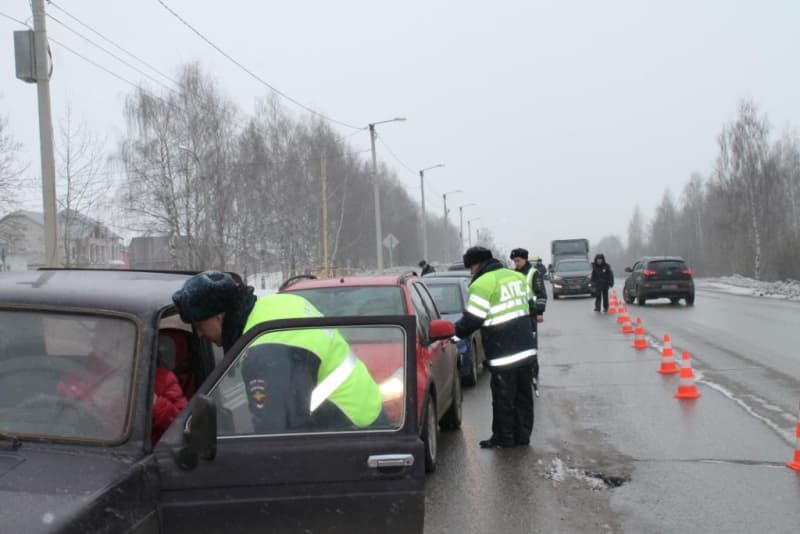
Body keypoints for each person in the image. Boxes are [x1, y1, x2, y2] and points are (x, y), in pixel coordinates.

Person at [172, 271, 384, 433]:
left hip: (349, 431)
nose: (199, 334)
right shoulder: (279, 305)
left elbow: (275, 433)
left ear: (219, 317)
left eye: (199, 325)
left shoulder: (265, 350)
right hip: (370, 418)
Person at [454, 247, 537, 448]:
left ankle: (505, 440)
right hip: (526, 347)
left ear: (477, 264)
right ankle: (522, 437)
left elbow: (472, 319)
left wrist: (453, 334)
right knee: (523, 396)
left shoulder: (482, 284)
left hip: (503, 351)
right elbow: (531, 306)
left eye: (471, 267)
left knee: (503, 398)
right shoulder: (515, 277)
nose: (471, 272)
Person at [510, 248, 547, 398]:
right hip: (517, 314)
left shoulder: (533, 273)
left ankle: (533, 370)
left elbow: (541, 294)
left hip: (530, 314)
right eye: (514, 261)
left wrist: (539, 312)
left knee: (530, 343)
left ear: (525, 260)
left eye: (518, 260)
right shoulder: (514, 274)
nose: (516, 263)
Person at [151, 334, 188, 446]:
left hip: (154, 453)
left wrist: (156, 403)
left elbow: (183, 423)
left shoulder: (164, 378)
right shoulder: (106, 378)